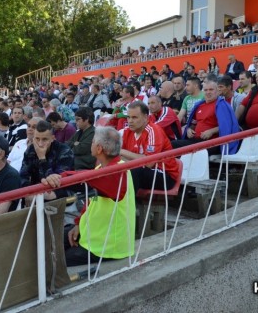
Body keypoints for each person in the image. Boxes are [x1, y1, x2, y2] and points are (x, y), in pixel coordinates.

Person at [42, 127, 135, 267]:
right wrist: (78, 224)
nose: (90, 145)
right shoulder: (103, 168)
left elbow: (84, 177)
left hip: (107, 247)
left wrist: (60, 177)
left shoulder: (117, 172)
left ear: (99, 149)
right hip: (92, 236)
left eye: (92, 142)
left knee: (56, 260)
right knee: (50, 240)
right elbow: (90, 201)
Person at [120, 101, 180, 192]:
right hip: (144, 170)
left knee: (134, 172)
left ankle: (128, 205)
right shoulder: (127, 131)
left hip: (164, 174)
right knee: (110, 167)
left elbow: (148, 163)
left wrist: (121, 152)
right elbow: (118, 157)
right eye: (128, 117)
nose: (130, 121)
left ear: (145, 117)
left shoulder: (153, 131)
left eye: (134, 117)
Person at [172, 78, 240, 155]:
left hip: (213, 143)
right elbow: (194, 123)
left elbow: (227, 125)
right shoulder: (199, 105)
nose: (208, 92)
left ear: (217, 91)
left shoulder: (222, 105)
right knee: (172, 144)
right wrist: (189, 129)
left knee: (175, 145)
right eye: (206, 90)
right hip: (196, 140)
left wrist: (211, 131)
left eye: (211, 90)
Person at [19, 120, 74, 200]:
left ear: (52, 138)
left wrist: (42, 158)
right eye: (37, 139)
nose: (40, 144)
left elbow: (56, 182)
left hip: (60, 194)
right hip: (36, 192)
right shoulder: (30, 150)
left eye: (44, 139)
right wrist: (29, 193)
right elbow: (23, 176)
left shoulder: (64, 151)